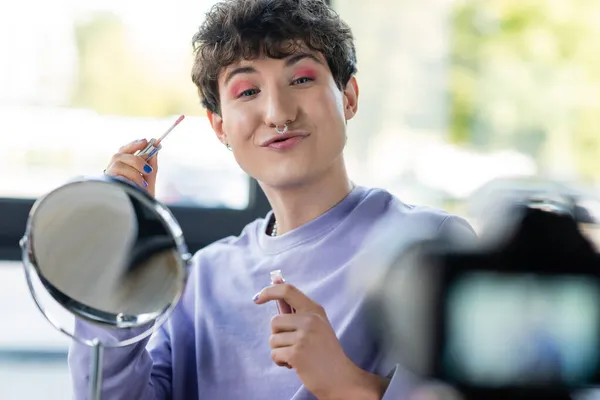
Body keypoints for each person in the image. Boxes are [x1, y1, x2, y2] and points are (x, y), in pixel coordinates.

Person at [68, 0, 476, 399]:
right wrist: (116, 260)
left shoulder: (430, 244)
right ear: (220, 127)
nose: (278, 113)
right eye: (247, 91)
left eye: (301, 80)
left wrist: (350, 386)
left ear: (348, 97)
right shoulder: (197, 282)